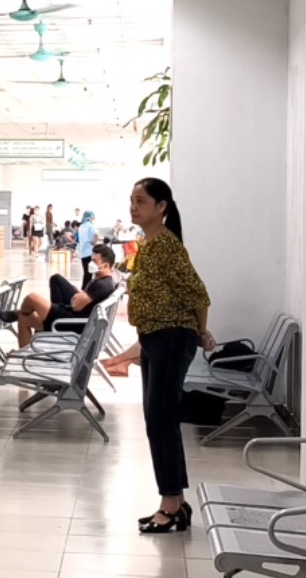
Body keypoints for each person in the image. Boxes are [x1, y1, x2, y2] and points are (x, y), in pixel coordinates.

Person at [128, 178, 215, 534]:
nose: (133, 207)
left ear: (161, 207)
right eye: (132, 200)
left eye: (141, 201)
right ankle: (176, 502)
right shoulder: (148, 245)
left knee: (161, 420)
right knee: (157, 419)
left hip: (171, 338)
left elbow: (199, 294)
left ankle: (170, 504)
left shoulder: (166, 246)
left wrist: (201, 332)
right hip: (154, 338)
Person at [2, 244, 119, 349]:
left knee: (32, 298)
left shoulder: (101, 285)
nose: (90, 263)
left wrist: (79, 296)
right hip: (77, 321)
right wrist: (80, 294)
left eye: (94, 261)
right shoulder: (105, 282)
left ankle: (19, 312)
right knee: (24, 319)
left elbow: (76, 306)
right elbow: (84, 301)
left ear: (106, 265)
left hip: (72, 324)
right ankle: (24, 353)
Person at [76, 210, 99, 289]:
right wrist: (94, 243)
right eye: (93, 217)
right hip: (90, 252)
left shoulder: (81, 226)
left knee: (86, 272)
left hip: (83, 252)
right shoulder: (90, 226)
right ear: (90, 218)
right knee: (91, 273)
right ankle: (87, 289)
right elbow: (96, 234)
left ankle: (84, 289)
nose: (94, 219)